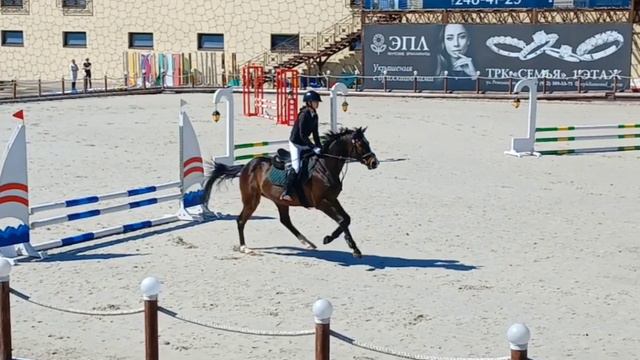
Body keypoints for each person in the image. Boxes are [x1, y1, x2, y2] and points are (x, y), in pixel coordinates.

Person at [280, 90, 323, 202]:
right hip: (296, 143)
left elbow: (316, 133)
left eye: (317, 102)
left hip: (304, 143)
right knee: (296, 167)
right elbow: (302, 134)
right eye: (315, 102)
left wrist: (320, 147)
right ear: (309, 102)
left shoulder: (315, 115)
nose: (317, 104)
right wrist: (313, 147)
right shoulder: (304, 115)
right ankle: (286, 192)